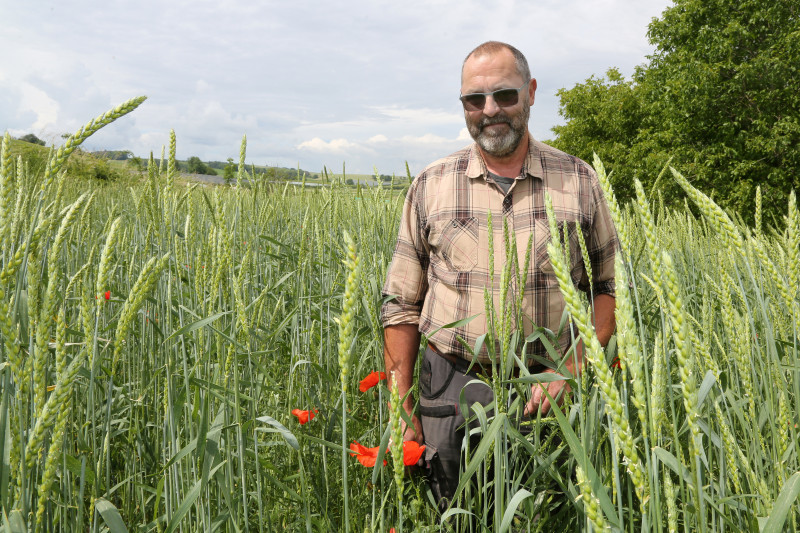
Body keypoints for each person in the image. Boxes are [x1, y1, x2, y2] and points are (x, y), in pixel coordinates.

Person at [380, 41, 618, 510]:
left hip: (550, 392)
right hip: (451, 388)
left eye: (505, 95)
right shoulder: (431, 184)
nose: (490, 110)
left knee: (548, 515)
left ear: (530, 92)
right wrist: (400, 408)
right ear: (464, 105)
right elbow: (400, 304)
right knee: (456, 514)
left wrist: (570, 369)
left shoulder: (579, 180)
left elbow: (610, 287)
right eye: (475, 99)